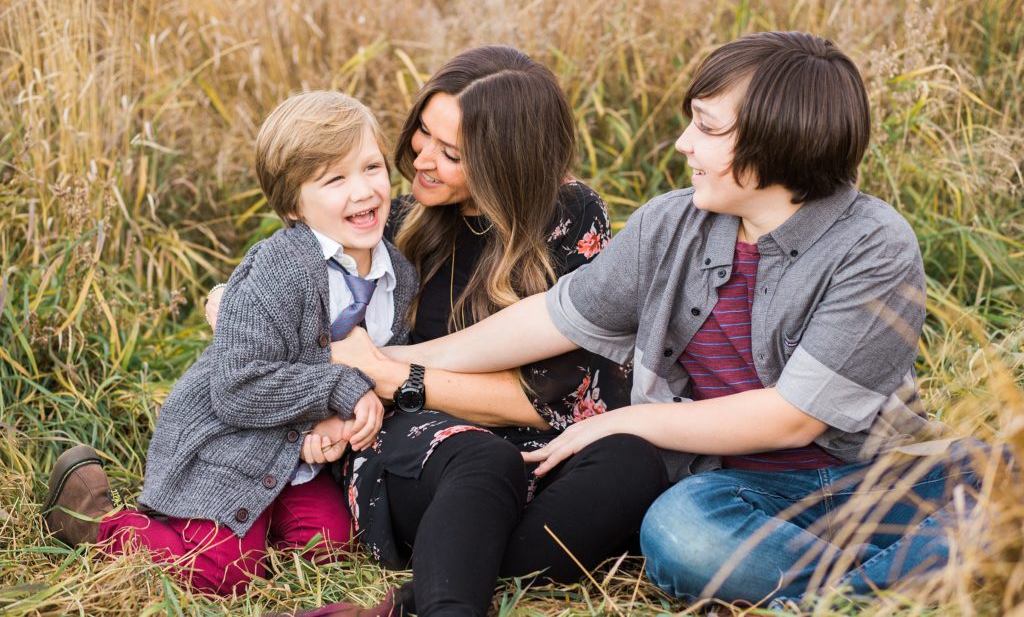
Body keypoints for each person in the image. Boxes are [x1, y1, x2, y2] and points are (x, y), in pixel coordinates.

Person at [382, 32, 989, 605]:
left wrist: (627, 423)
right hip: (729, 492)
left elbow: (792, 418)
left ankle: (825, 591)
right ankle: (921, 571)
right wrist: (392, 363)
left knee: (1005, 473)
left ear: (776, 143)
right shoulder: (670, 223)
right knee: (678, 533)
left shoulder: (874, 245)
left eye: (706, 127)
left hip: (867, 478)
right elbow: (552, 318)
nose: (682, 144)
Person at [212, 46, 668, 617]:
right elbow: (274, 291)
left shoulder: (568, 217)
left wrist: (392, 373)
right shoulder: (396, 222)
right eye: (422, 133)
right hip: (415, 449)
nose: (422, 158)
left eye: (451, 153)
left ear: (508, 162)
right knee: (481, 461)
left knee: (634, 460)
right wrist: (226, 306)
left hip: (536, 450)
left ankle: (433, 584)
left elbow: (556, 404)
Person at [42, 91, 418, 595]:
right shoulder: (279, 267)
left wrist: (334, 425)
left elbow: (377, 367)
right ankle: (92, 518)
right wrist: (339, 390)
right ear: (293, 204)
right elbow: (239, 387)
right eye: (335, 179)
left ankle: (261, 524)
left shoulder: (400, 275)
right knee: (222, 573)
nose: (364, 190)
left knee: (329, 547)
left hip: (295, 458)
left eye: (371, 167)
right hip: (226, 440)